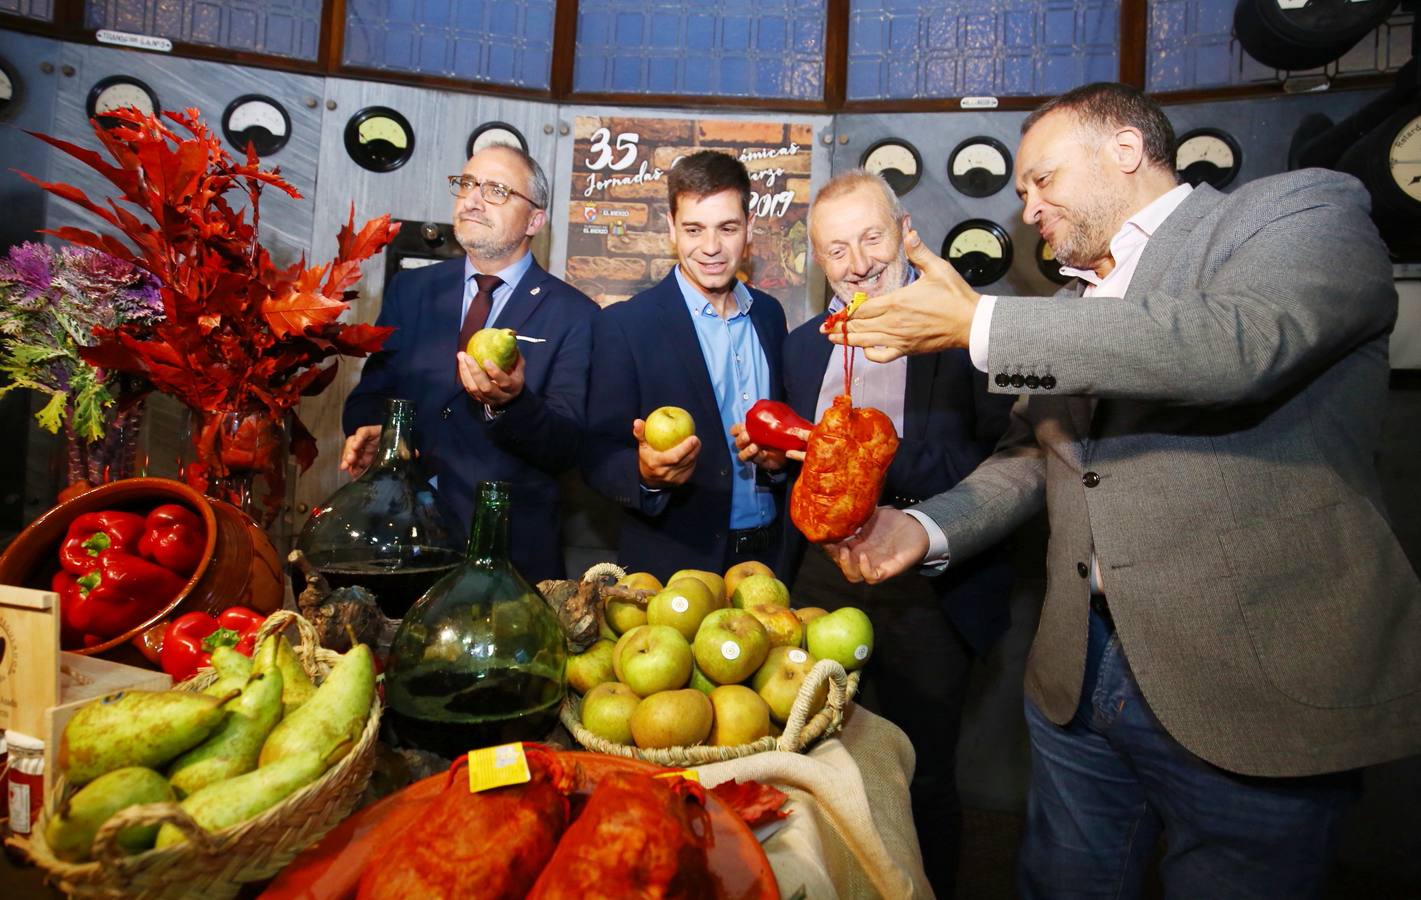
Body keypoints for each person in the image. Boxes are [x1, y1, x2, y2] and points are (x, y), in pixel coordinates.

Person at [824, 82, 1421, 898]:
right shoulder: (1073, 304)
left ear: (1124, 150)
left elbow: (1234, 344)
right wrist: (924, 531)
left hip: (1247, 681)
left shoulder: (1296, 213)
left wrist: (981, 326)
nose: (1028, 208)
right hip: (1081, 673)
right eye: (1020, 192)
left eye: (1041, 180)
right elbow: (1032, 458)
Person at [745, 169, 1015, 897]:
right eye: (837, 250)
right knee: (816, 758)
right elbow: (797, 471)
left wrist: (873, 450)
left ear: (902, 233)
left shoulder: (965, 334)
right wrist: (781, 460)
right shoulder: (803, 347)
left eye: (870, 237)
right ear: (818, 261)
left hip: (930, 582)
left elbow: (1004, 460)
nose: (858, 261)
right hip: (819, 579)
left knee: (919, 769)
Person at [342, 143, 598, 581]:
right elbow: (373, 393)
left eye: (497, 190)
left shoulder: (576, 315)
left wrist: (511, 402)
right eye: (467, 184)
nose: (474, 199)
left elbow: (567, 447)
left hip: (508, 553)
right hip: (404, 539)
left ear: (535, 219)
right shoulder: (413, 290)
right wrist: (373, 430)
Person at [581, 150, 788, 580]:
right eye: (694, 229)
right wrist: (645, 474)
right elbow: (597, 455)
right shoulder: (625, 325)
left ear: (749, 228)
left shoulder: (770, 315)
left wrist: (779, 461)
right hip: (674, 565)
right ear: (672, 228)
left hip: (774, 558)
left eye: (727, 228)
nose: (711, 248)